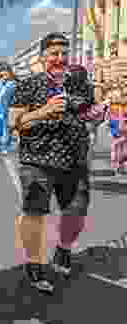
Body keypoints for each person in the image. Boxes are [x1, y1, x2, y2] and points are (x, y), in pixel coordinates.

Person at [9, 33, 110, 294]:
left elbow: (89, 115)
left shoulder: (80, 84)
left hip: (74, 159)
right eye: (54, 54)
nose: (60, 59)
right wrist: (43, 112)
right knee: (34, 212)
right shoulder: (28, 85)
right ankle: (33, 263)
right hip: (37, 158)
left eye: (64, 54)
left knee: (76, 211)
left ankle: (63, 250)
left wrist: (97, 115)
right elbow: (14, 123)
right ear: (43, 58)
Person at [0, 66, 17, 154]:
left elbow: (13, 98)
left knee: (6, 128)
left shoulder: (12, 84)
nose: (3, 77)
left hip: (7, 109)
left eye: (5, 74)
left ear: (10, 74)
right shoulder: (0, 83)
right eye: (1, 75)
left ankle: (5, 147)